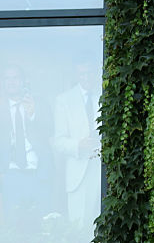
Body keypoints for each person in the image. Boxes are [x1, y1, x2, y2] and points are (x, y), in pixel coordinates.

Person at [53, 60, 102, 240]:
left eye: (89, 73)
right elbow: (58, 141)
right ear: (76, 75)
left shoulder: (105, 94)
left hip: (103, 168)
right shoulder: (64, 100)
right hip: (78, 171)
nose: (86, 77)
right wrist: (77, 145)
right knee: (79, 227)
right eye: (82, 74)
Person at [0, 64, 50, 235]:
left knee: (40, 226)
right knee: (12, 227)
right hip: (10, 175)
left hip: (37, 174)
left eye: (15, 78)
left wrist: (33, 114)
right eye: (7, 78)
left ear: (24, 81)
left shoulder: (38, 103)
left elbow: (50, 132)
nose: (11, 82)